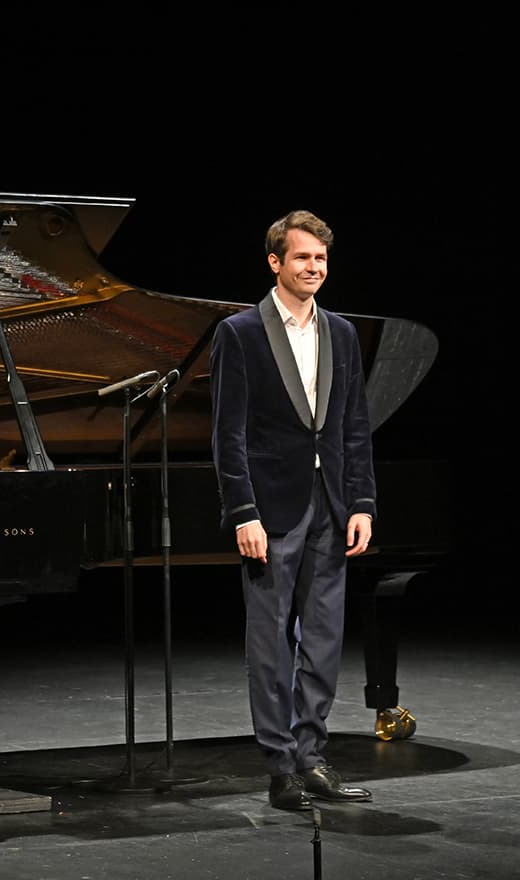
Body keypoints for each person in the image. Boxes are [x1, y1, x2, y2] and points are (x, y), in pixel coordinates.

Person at [209, 209, 375, 811]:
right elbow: (227, 435)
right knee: (271, 644)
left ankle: (313, 757)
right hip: (271, 511)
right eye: (303, 257)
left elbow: (354, 426)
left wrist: (362, 502)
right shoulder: (241, 332)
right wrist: (243, 511)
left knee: (325, 639)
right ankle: (280, 766)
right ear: (276, 262)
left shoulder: (342, 332)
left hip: (330, 505)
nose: (315, 268)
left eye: (322, 259)